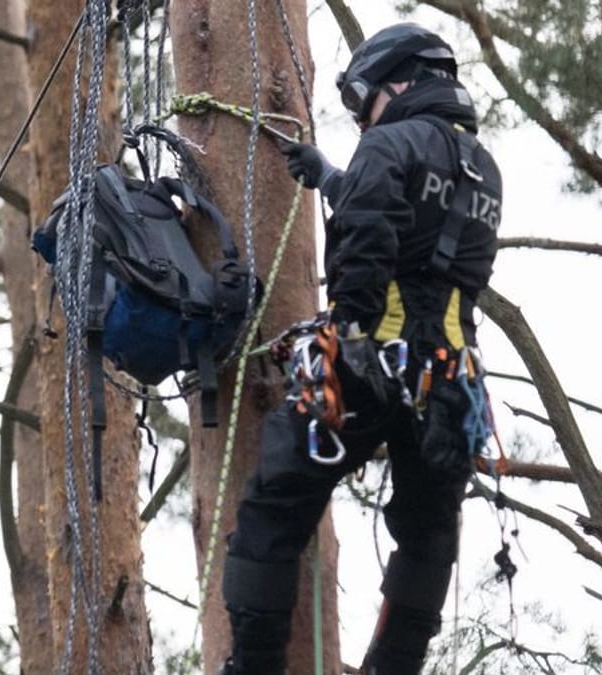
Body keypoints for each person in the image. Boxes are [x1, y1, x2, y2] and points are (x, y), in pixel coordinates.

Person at [219, 23, 502, 675]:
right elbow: (422, 236)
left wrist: (351, 332)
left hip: (371, 353)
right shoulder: (482, 167)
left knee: (275, 503)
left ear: (398, 82)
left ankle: (254, 665)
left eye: (363, 99)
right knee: (429, 530)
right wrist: (329, 178)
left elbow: (370, 247)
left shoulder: (388, 143)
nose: (361, 114)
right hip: (452, 375)